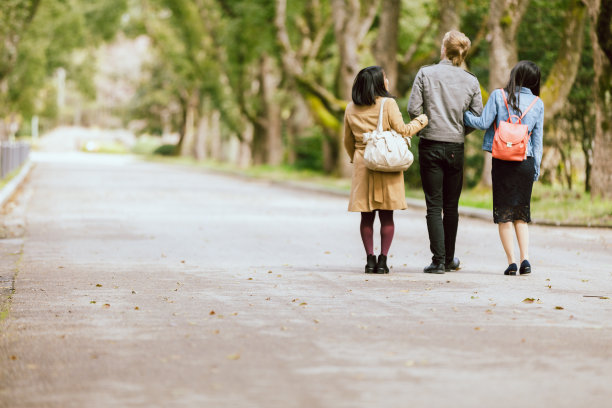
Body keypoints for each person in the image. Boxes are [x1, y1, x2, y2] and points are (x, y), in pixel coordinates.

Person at [407, 30, 483, 274]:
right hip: (455, 147)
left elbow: (413, 109)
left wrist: (425, 129)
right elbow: (477, 116)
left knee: (433, 205)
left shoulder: (425, 74)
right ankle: (449, 259)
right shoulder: (471, 81)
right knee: (451, 206)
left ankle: (438, 261)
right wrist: (459, 131)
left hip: (430, 144)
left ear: (443, 49)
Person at [344, 66, 428, 274]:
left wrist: (355, 158)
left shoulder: (350, 108)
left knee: (366, 216)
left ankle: (369, 260)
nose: (388, 80)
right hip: (385, 162)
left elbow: (347, 141)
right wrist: (423, 119)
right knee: (387, 216)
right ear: (378, 84)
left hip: (363, 162)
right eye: (385, 77)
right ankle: (383, 261)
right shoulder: (388, 104)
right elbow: (404, 130)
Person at [464, 60, 544, 276]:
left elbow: (481, 123)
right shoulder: (537, 103)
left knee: (504, 214)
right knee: (521, 214)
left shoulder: (498, 96)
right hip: (525, 162)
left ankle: (511, 263)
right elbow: (537, 142)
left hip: (502, 161)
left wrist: (463, 114)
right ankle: (525, 258)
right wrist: (535, 168)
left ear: (515, 76)